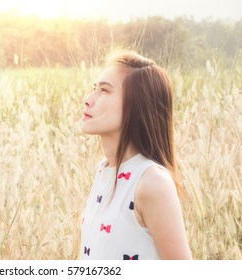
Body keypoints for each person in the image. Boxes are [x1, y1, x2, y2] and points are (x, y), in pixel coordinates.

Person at [79, 50, 192, 260]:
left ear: (137, 106)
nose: (87, 99)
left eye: (104, 90)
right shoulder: (103, 170)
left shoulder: (151, 182)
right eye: (94, 89)